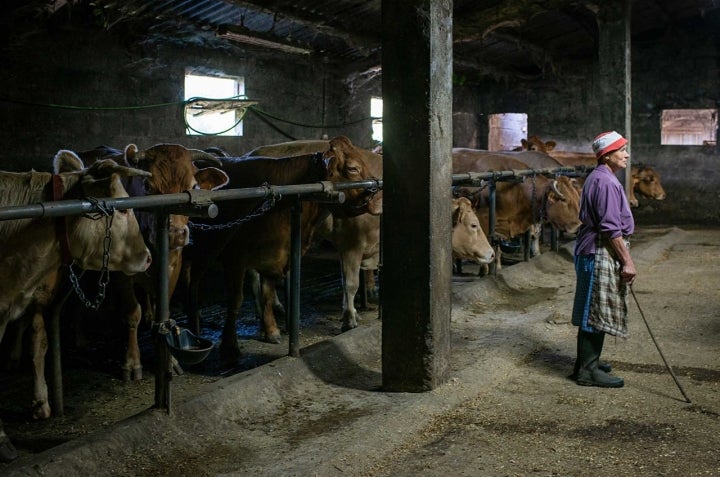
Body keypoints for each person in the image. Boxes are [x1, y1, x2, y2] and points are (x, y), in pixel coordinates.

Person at [570, 131, 636, 388]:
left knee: (593, 307)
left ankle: (588, 362)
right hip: (598, 250)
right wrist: (627, 262)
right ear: (607, 155)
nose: (627, 154)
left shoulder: (599, 177)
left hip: (593, 248)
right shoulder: (606, 182)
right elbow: (610, 229)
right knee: (594, 310)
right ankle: (587, 371)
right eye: (622, 150)